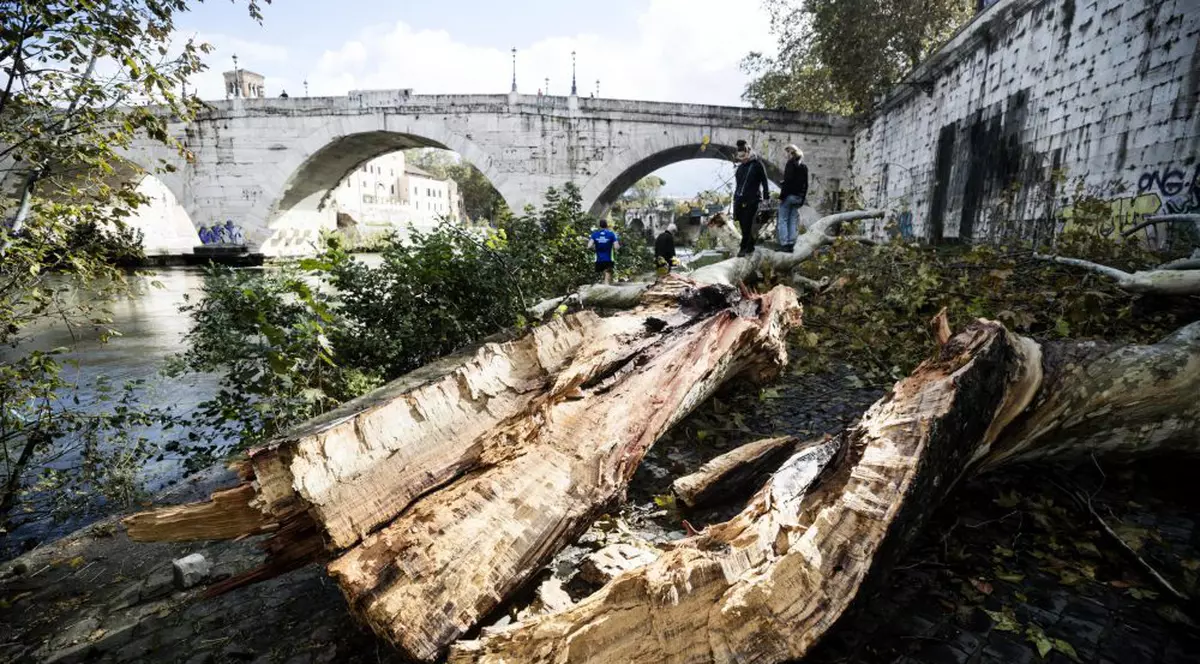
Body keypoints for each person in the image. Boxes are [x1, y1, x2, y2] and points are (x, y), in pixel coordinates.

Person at [733, 140, 770, 256]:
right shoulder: (740, 168)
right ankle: (746, 247)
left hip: (753, 200)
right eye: (740, 157)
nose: (742, 159)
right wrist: (735, 201)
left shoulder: (757, 165)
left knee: (749, 224)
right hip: (740, 201)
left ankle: (745, 247)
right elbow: (738, 186)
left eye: (743, 156)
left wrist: (766, 200)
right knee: (743, 225)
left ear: (748, 152)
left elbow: (765, 183)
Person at [777, 144, 809, 252]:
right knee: (793, 220)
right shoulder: (803, 166)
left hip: (789, 197)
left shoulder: (790, 164)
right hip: (798, 197)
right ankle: (791, 244)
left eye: (787, 153)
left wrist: (781, 197)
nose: (785, 155)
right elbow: (805, 184)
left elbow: (788, 182)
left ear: (790, 153)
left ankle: (784, 244)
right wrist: (802, 198)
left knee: (783, 219)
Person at [588, 219, 620, 284]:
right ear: (607, 225)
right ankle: (606, 285)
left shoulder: (595, 234)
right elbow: (616, 247)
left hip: (598, 259)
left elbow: (589, 246)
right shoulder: (611, 234)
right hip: (609, 259)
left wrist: (596, 247)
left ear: (599, 225)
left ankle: (602, 285)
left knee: (600, 277)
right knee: (607, 274)